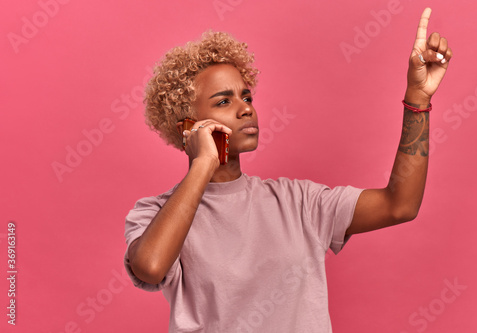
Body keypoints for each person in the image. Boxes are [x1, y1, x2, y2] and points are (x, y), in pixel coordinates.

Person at [123, 8, 452, 332]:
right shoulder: (155, 213)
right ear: (187, 126)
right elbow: (151, 267)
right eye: (224, 101)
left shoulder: (299, 202)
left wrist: (417, 99)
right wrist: (203, 162)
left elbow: (400, 205)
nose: (246, 108)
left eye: (246, 96)